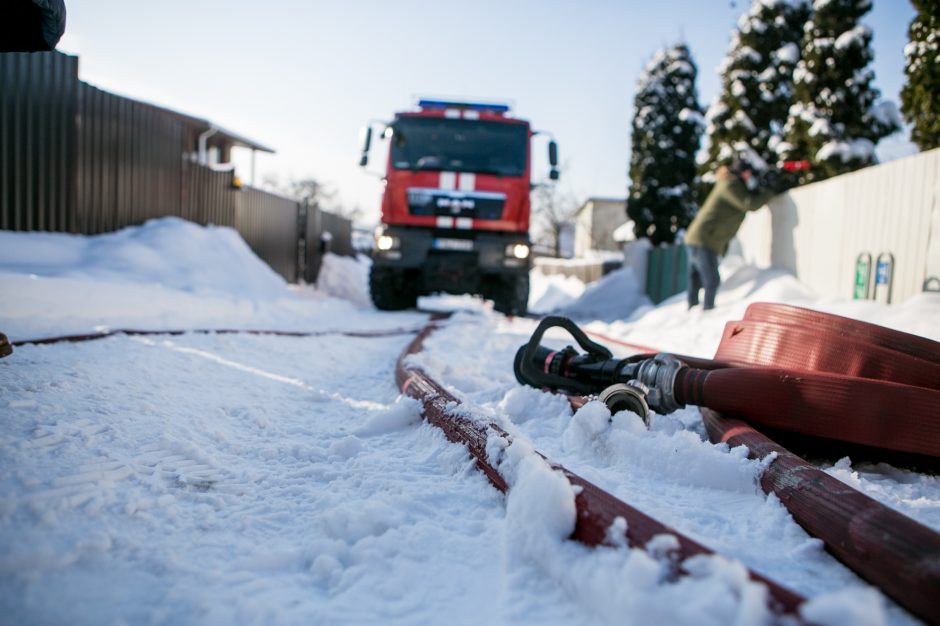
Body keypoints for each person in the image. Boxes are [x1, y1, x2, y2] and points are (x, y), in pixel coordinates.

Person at [683, 163, 775, 310]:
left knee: (696, 278)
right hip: (704, 239)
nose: (750, 177)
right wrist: (771, 191)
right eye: (748, 173)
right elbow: (749, 203)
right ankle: (707, 311)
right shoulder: (731, 185)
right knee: (711, 280)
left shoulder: (727, 183)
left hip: (697, 237)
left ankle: (692, 309)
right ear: (741, 173)